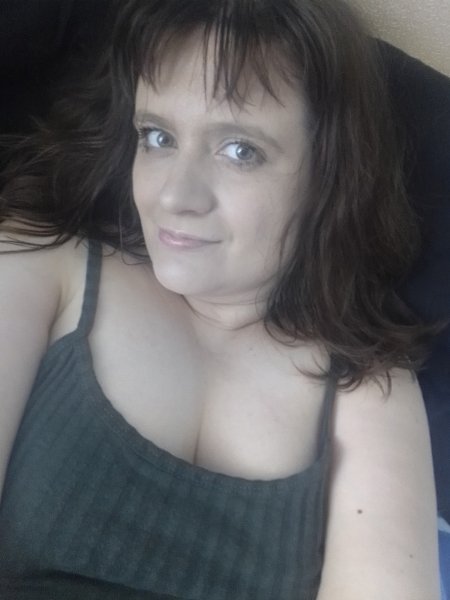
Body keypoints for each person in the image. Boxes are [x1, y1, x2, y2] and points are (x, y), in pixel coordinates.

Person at [0, 0, 444, 598]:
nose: (174, 196)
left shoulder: (367, 386)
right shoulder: (43, 262)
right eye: (157, 137)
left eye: (239, 150)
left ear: (329, 174)